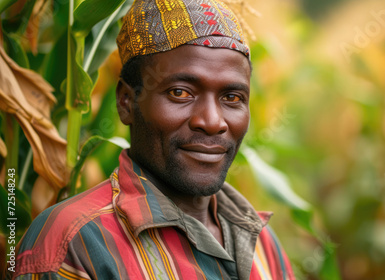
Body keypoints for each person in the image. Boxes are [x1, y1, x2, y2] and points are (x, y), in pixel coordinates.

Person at [8, 0, 295, 279]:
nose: (212, 122)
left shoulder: (263, 242)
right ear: (126, 102)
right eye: (180, 93)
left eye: (232, 98)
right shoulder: (73, 245)